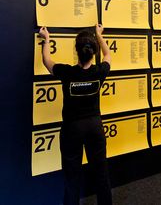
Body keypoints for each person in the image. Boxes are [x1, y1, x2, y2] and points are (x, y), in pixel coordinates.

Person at [39, 24, 112, 205]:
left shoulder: (67, 72)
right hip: (95, 127)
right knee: (101, 174)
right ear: (93, 52)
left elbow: (46, 60)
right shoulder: (99, 71)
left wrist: (46, 39)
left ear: (76, 51)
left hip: (72, 129)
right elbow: (108, 55)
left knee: (72, 177)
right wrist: (99, 35)